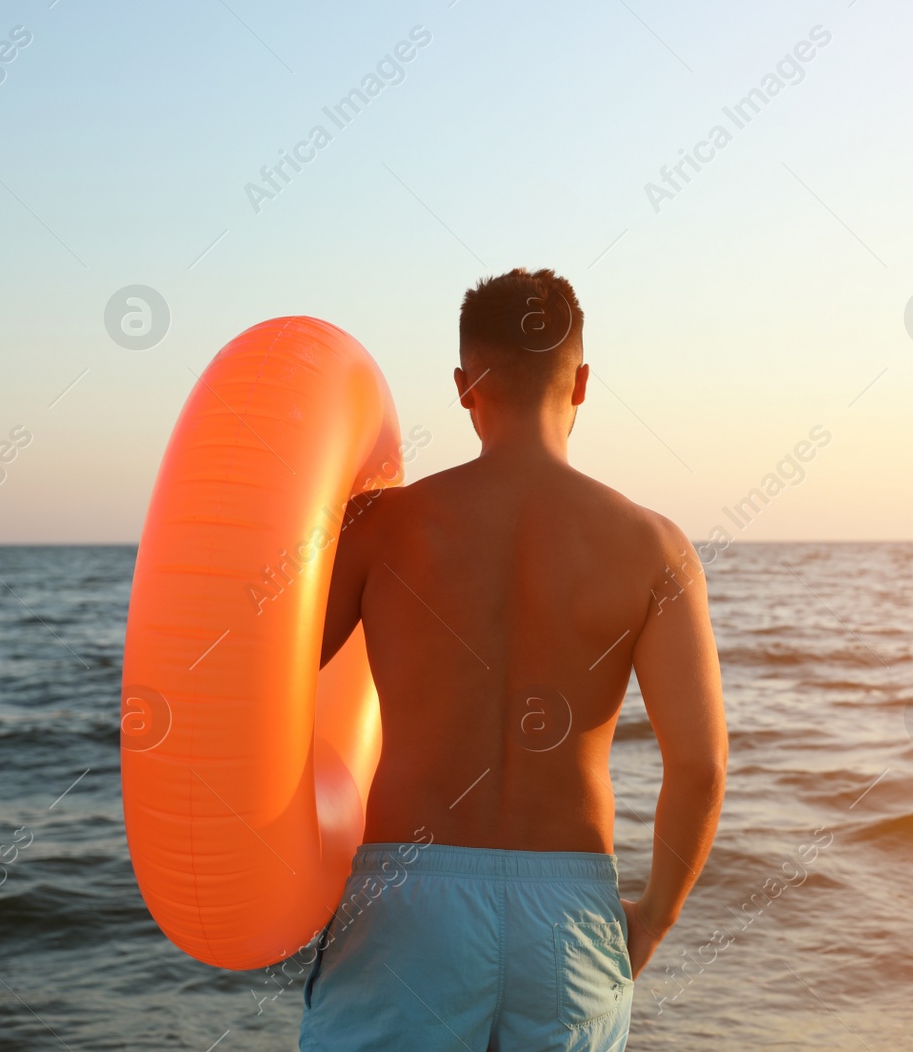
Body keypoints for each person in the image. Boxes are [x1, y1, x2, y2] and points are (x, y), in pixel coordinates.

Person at [300, 268, 727, 1051]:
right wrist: (650, 922)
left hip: (406, 896)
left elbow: (266, 692)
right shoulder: (655, 548)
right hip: (569, 909)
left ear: (465, 386)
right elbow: (699, 766)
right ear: (585, 382)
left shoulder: (384, 527)